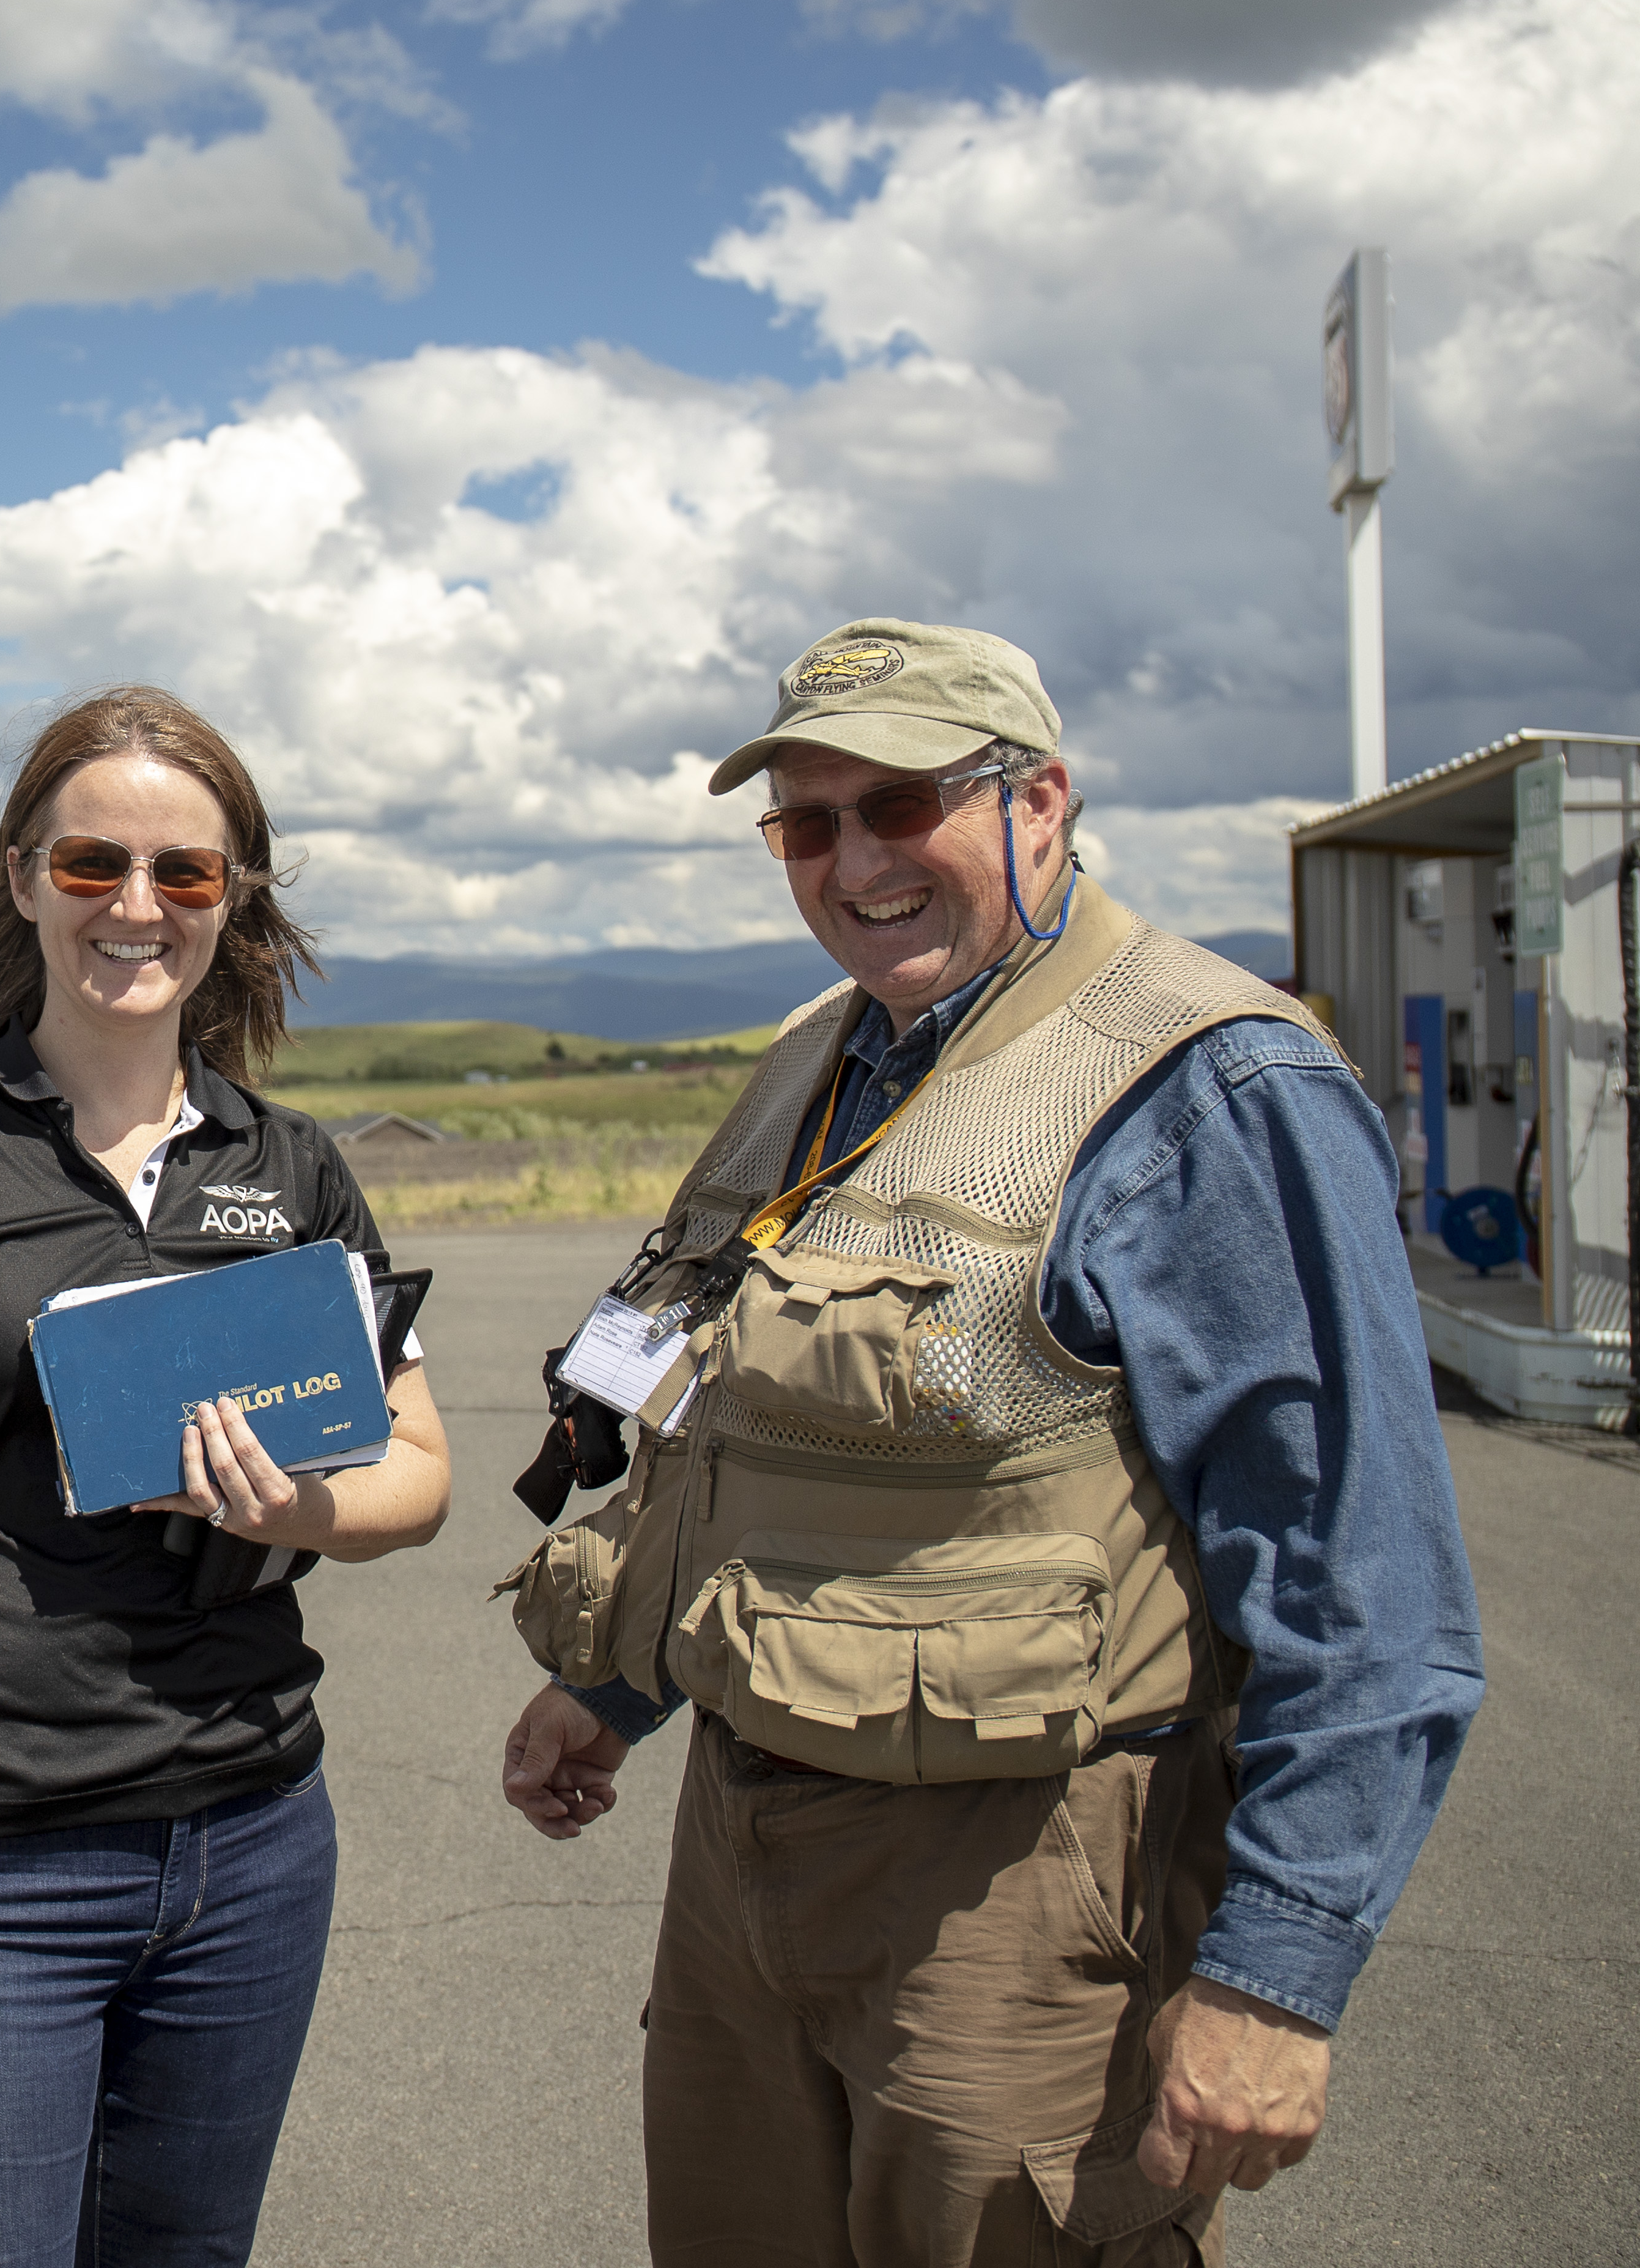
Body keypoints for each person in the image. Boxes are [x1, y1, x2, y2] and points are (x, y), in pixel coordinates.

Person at [494, 620, 1485, 2264]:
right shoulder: (825, 1061)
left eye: (899, 803)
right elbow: (733, 1421)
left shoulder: (1208, 1084)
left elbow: (1362, 1576)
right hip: (742, 1856)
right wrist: (614, 1685)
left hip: (1016, 1890)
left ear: (1042, 800)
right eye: (806, 824)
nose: (853, 860)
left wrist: (1274, 1979)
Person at [0, 684, 454, 2268]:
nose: (137, 907)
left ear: (234, 901)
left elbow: (417, 1474)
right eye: (93, 866)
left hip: (250, 1843)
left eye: (184, 874)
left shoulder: (292, 1168)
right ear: (23, 880)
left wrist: (295, 1509)